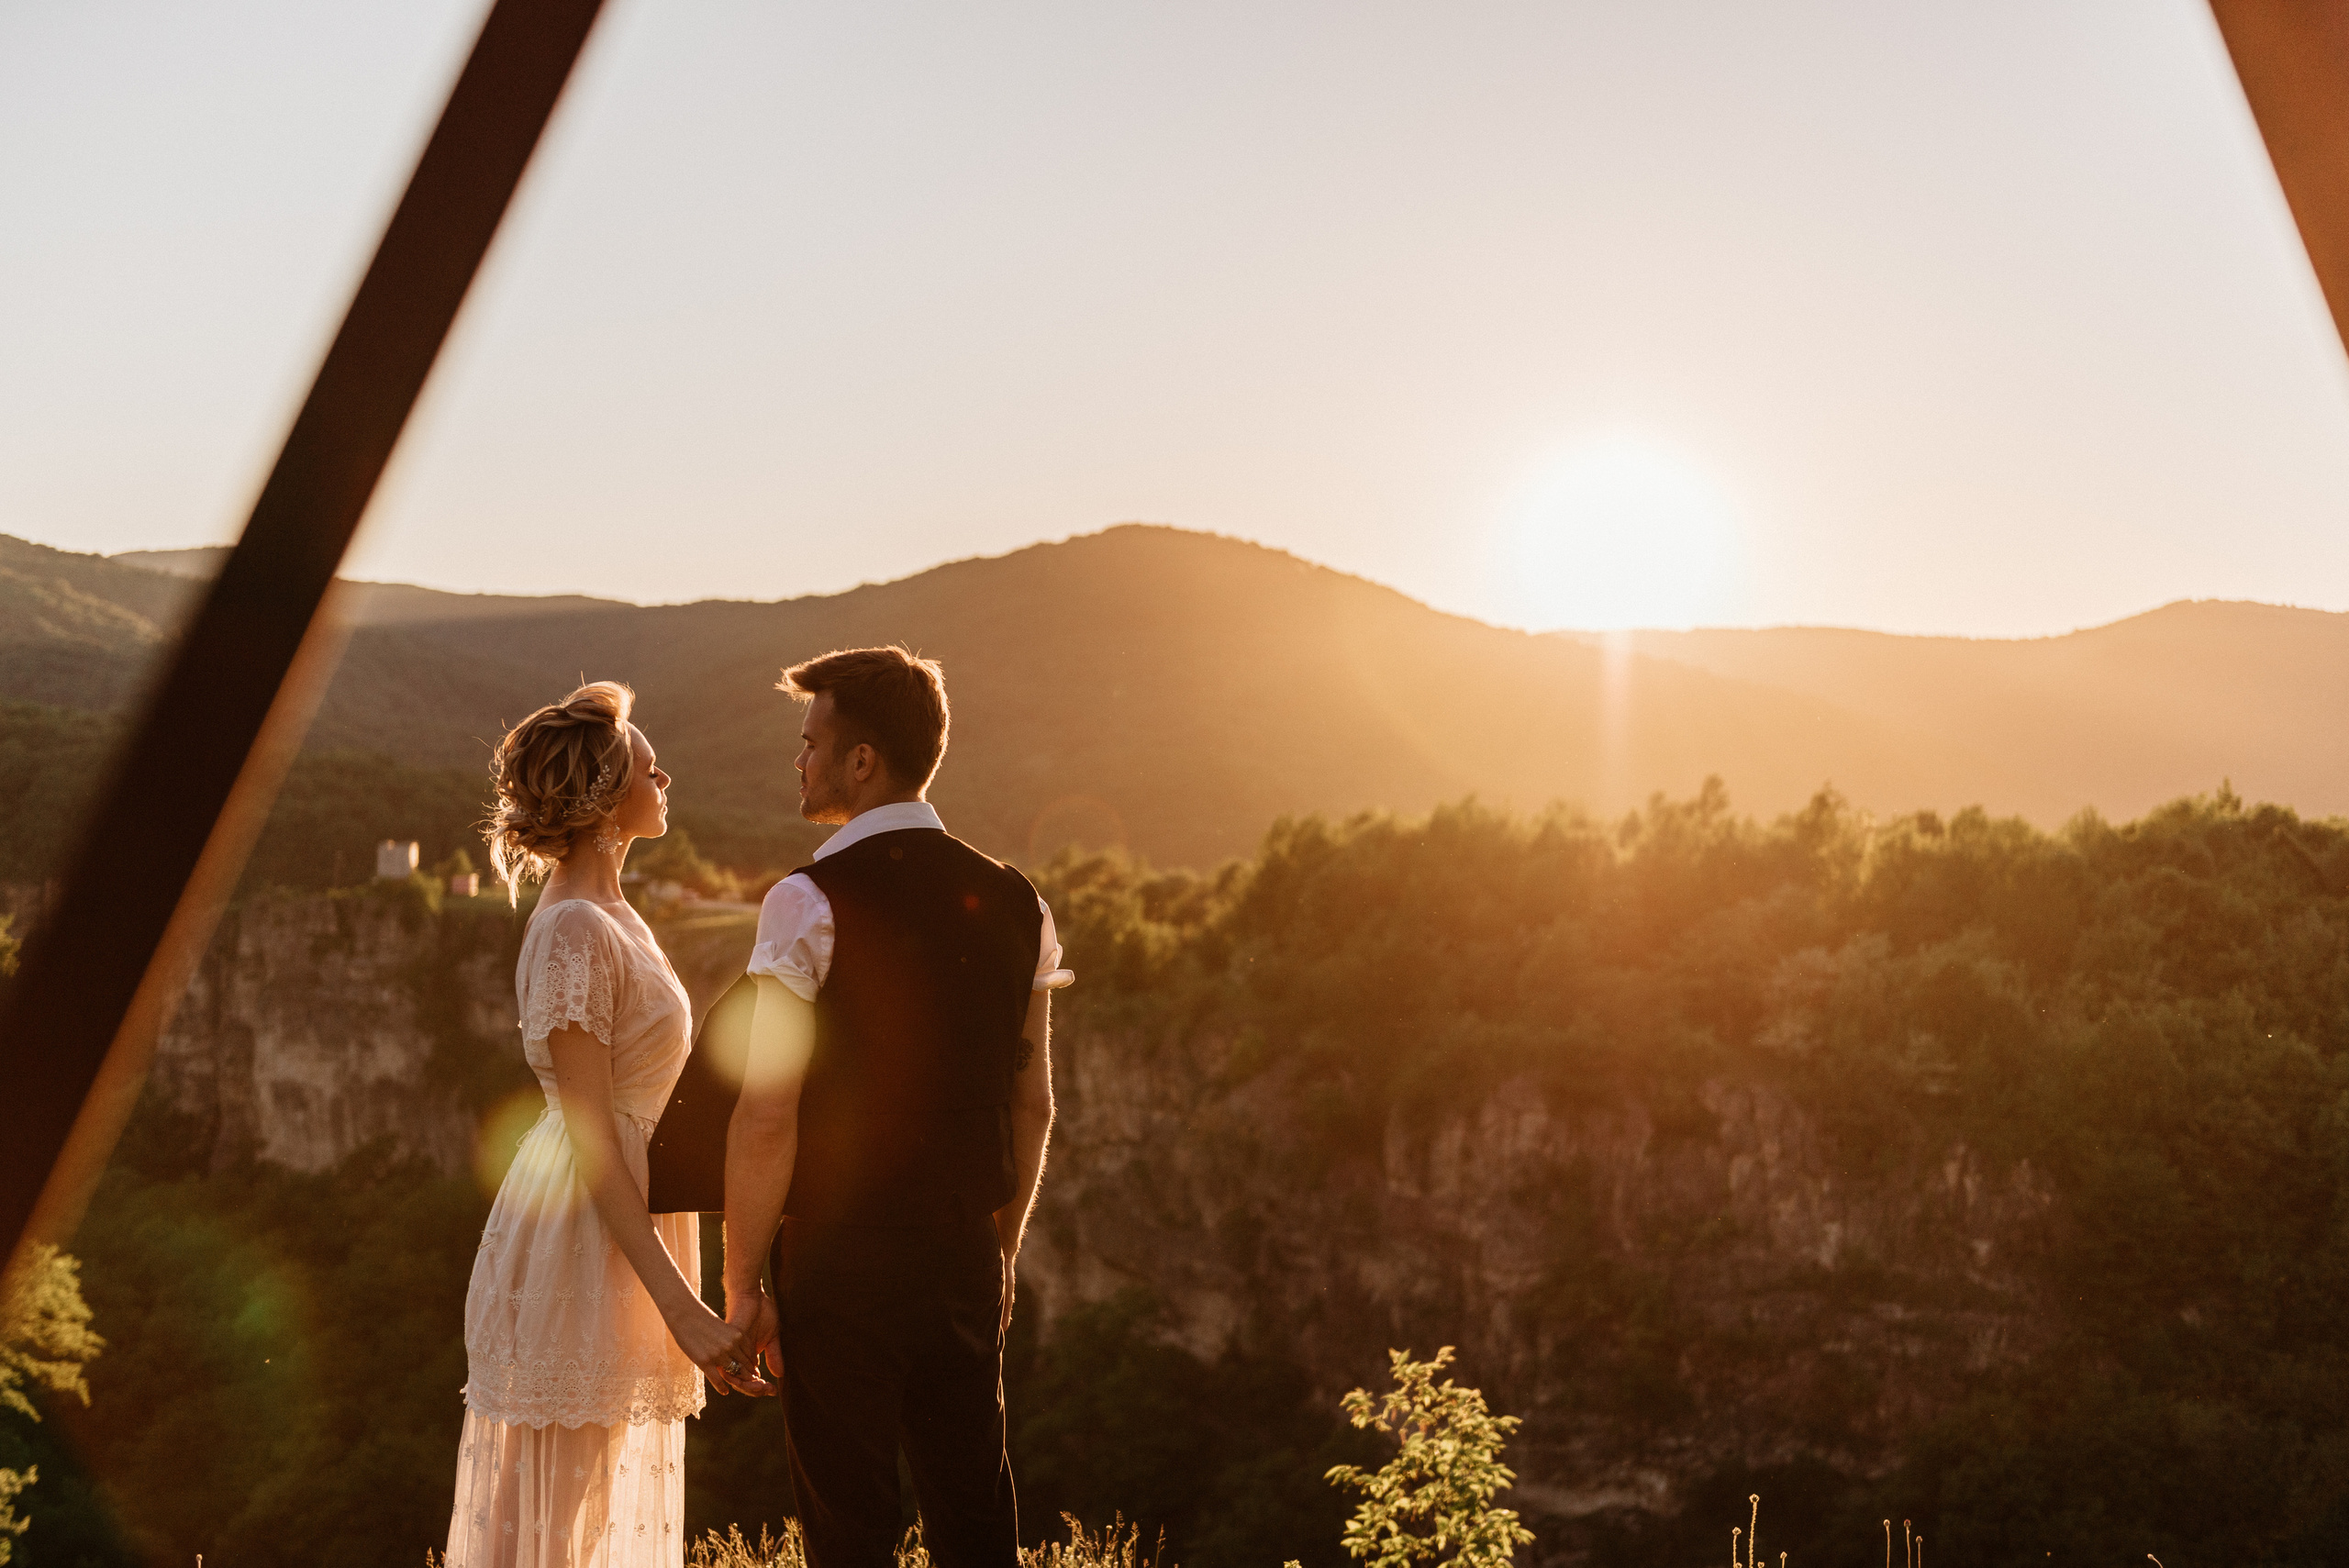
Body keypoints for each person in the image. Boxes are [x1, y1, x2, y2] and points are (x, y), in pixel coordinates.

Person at [719, 646, 1071, 1568]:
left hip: (839, 1254)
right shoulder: (1020, 902)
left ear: (862, 760)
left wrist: (743, 1279)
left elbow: (766, 1110)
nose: (798, 760)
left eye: (810, 741)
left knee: (850, 1529)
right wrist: (996, 1252)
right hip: (962, 1246)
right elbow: (1033, 1101)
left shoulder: (805, 901)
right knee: (974, 1516)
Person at [446, 681, 764, 1567]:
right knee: (554, 1514)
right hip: (586, 1233)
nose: (666, 774)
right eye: (643, 764)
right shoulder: (577, 927)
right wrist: (685, 1312)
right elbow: (590, 1133)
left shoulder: (614, 914)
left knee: (583, 1508)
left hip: (625, 1228)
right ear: (600, 798)